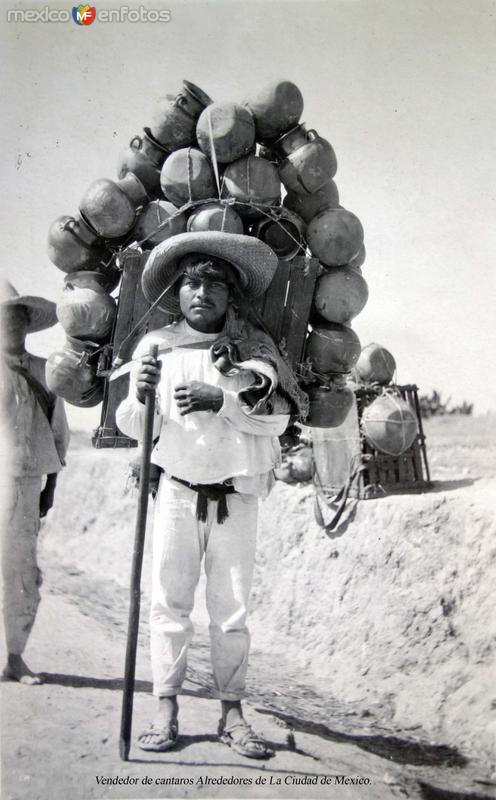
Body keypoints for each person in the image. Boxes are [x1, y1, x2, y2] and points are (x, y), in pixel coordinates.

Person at [116, 231, 308, 758]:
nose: (202, 293)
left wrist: (220, 399)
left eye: (215, 286)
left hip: (237, 495)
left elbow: (278, 419)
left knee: (230, 611)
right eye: (191, 283)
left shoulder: (254, 351)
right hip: (177, 492)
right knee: (169, 604)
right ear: (177, 293)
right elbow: (135, 424)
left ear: (232, 296)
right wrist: (141, 391)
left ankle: (232, 714)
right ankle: (165, 709)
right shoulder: (154, 347)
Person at [1, 282, 70, 685]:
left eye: (18, 319)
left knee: (22, 572)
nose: (11, 326)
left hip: (27, 485)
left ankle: (14, 656)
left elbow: (59, 435)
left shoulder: (47, 372)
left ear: (27, 324)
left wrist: (50, 488)